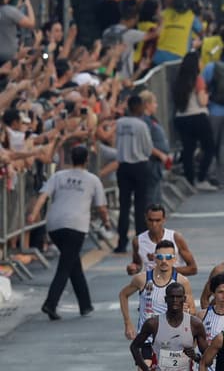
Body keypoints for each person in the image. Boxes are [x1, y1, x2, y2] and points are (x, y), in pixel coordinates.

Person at [28, 145, 111, 319]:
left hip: (55, 225)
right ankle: (50, 303)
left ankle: (85, 304)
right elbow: (101, 208)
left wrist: (34, 214)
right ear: (87, 159)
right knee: (65, 265)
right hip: (76, 226)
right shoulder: (92, 179)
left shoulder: (58, 176)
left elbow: (43, 196)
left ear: (71, 158)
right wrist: (107, 222)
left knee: (72, 261)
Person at [112, 93, 166, 253]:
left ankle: (121, 242)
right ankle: (141, 241)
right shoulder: (141, 125)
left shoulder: (120, 123)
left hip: (123, 166)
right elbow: (147, 148)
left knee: (124, 205)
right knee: (140, 205)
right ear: (139, 107)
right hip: (140, 165)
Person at [128, 204, 198, 277]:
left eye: (158, 220)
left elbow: (193, 268)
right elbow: (137, 264)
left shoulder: (175, 238)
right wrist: (133, 268)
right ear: (145, 218)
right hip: (150, 283)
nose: (154, 224)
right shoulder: (138, 241)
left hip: (174, 283)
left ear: (164, 219)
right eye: (150, 220)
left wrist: (166, 271)